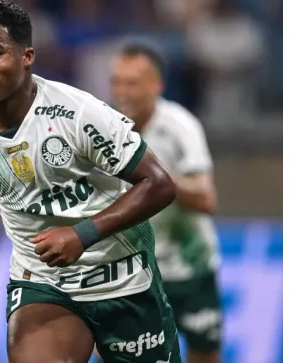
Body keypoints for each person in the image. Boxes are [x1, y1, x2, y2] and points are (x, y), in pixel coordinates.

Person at [0, 0, 182, 363]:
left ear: (26, 57)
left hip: (125, 279)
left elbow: (159, 184)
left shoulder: (78, 114)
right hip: (43, 284)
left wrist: (82, 234)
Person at [109, 42, 222, 363]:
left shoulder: (180, 126)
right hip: (130, 269)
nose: (122, 92)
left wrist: (152, 174)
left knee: (204, 351)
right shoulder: (104, 127)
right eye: (116, 82)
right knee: (116, 354)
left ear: (156, 85)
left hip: (189, 265)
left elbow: (205, 198)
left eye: (132, 83)